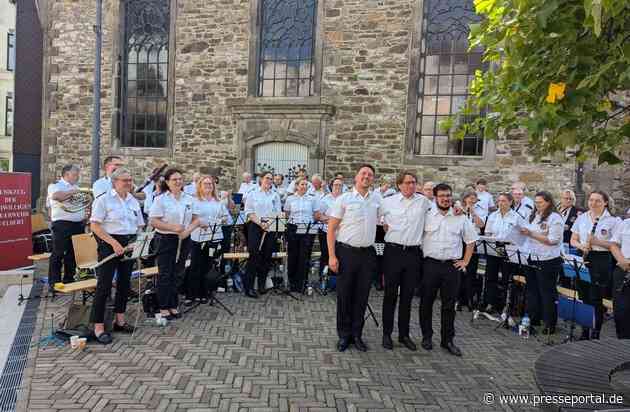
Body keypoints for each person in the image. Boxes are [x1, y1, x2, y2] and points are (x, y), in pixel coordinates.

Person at [327, 164, 381, 352]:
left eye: (370, 174)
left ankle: (357, 335)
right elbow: (331, 229)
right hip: (346, 252)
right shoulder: (344, 199)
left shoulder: (377, 199)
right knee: (344, 295)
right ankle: (344, 335)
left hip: (367, 254)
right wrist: (332, 256)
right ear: (356, 177)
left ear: (373, 179)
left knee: (361, 296)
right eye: (363, 173)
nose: (367, 176)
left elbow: (389, 217)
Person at [420, 183, 478, 357]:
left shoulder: (460, 217)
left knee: (449, 306)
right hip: (430, 265)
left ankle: (447, 340)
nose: (445, 199)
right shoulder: (427, 214)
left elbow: (471, 240)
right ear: (435, 197)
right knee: (426, 303)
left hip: (451, 267)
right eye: (442, 196)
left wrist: (465, 261)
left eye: (448, 196)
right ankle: (427, 337)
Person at [89, 168, 144, 344]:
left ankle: (119, 321)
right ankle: (98, 327)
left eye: (130, 179)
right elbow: (95, 226)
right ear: (114, 182)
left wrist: (138, 241)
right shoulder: (103, 200)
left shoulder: (133, 201)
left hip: (129, 245)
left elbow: (140, 225)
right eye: (124, 180)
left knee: (124, 285)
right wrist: (113, 243)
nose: (128, 183)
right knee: (104, 286)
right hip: (109, 245)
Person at [380, 171, 431, 351]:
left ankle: (404, 335)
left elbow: (441, 210)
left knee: (407, 297)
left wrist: (457, 206)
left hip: (413, 254)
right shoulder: (388, 202)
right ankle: (387, 334)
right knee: (390, 295)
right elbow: (375, 216)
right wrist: (383, 223)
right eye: (408, 182)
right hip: (393, 252)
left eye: (414, 183)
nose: (411, 186)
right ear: (399, 185)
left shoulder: (424, 202)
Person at [149, 168, 200, 320]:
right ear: (167, 182)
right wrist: (172, 227)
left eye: (180, 179)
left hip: (184, 239)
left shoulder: (189, 198)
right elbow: (153, 221)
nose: (178, 182)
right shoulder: (161, 199)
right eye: (174, 180)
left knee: (178, 273)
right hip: (165, 240)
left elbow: (196, 219)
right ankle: (163, 306)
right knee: (165, 274)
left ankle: (173, 304)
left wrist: (187, 231)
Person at [570, 191, 620, 340]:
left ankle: (596, 331)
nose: (593, 203)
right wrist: (581, 246)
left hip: (601, 259)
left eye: (598, 201)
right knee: (583, 295)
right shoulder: (582, 218)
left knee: (595, 297)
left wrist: (597, 242)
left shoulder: (613, 221)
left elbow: (616, 244)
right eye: (591, 200)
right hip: (584, 256)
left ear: (605, 202)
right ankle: (585, 330)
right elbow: (573, 239)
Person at [520, 191, 563, 335]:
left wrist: (532, 234)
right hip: (532, 256)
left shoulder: (555, 217)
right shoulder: (534, 215)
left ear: (548, 202)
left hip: (548, 259)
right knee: (532, 291)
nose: (537, 205)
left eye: (540, 202)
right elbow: (532, 233)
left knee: (547, 293)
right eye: (536, 202)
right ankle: (534, 318)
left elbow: (553, 240)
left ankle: (550, 323)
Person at [186, 175, 229, 305]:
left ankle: (204, 293)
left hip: (213, 237)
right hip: (197, 237)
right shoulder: (194, 201)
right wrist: (199, 223)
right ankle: (191, 295)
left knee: (207, 266)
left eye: (210, 184)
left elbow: (226, 217)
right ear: (200, 186)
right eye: (205, 184)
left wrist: (221, 220)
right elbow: (190, 218)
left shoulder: (218, 201)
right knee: (195, 267)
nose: (208, 186)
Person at [243, 171, 282, 298]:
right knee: (254, 255)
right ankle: (248, 287)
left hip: (269, 227)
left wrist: (268, 223)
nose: (269, 180)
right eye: (267, 178)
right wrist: (260, 223)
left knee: (266, 257)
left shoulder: (275, 195)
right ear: (261, 179)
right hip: (255, 226)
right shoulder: (252, 194)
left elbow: (277, 212)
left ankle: (261, 285)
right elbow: (249, 212)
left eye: (271, 179)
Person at [47, 164, 87, 287]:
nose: (77, 177)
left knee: (73, 253)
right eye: (75, 174)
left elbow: (84, 202)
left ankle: (69, 280)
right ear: (66, 174)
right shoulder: (55, 186)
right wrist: (74, 191)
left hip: (78, 224)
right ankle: (55, 283)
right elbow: (57, 196)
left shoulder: (76, 187)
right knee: (58, 253)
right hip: (62, 224)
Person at [483, 192, 521, 313]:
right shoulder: (493, 216)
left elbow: (519, 235)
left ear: (510, 202)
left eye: (503, 201)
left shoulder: (516, 217)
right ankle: (490, 303)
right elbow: (487, 233)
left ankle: (505, 305)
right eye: (499, 201)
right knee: (491, 277)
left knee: (506, 279)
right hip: (493, 249)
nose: (500, 203)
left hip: (508, 251)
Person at [284, 177, 322, 292]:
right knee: (293, 256)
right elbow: (286, 214)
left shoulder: (312, 199)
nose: (304, 186)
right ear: (296, 186)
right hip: (293, 228)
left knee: (304, 257)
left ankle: (302, 284)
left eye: (306, 185)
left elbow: (316, 214)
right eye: (302, 184)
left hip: (307, 229)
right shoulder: (290, 199)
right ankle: (292, 283)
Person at [457, 191, 486, 312]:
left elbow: (481, 225)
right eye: (469, 198)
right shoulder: (459, 209)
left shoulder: (481, 210)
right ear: (465, 199)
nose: (471, 201)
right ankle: (458, 299)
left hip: (473, 244)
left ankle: (469, 299)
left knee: (471, 273)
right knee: (459, 272)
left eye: (474, 199)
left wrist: (473, 213)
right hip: (460, 243)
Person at [318, 177, 344, 279]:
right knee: (326, 255)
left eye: (340, 185)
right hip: (326, 231)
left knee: (339, 256)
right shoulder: (325, 199)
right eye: (335, 185)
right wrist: (333, 220)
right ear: (331, 186)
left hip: (341, 233)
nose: (338, 187)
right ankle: (323, 279)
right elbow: (319, 216)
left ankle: (336, 279)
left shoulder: (345, 198)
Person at [610, 217, 630, 339]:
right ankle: (623, 345)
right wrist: (622, 261)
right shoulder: (625, 223)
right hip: (623, 268)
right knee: (621, 311)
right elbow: (613, 245)